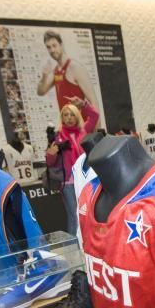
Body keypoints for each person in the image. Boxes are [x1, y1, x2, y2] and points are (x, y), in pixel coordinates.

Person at [44, 99, 99, 235]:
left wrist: (84, 104)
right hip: (68, 183)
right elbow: (51, 163)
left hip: (86, 179)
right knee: (74, 215)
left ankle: (88, 244)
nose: (69, 118)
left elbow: (95, 115)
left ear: (77, 116)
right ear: (62, 117)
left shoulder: (84, 131)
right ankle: (75, 248)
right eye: (66, 115)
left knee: (89, 212)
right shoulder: (57, 136)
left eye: (72, 114)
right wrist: (51, 155)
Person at [36, 30, 100, 115]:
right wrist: (44, 75)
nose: (52, 50)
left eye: (54, 46)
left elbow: (93, 101)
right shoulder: (56, 71)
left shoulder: (75, 67)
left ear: (61, 45)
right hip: (68, 126)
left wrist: (97, 128)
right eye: (48, 47)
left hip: (82, 125)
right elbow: (41, 92)